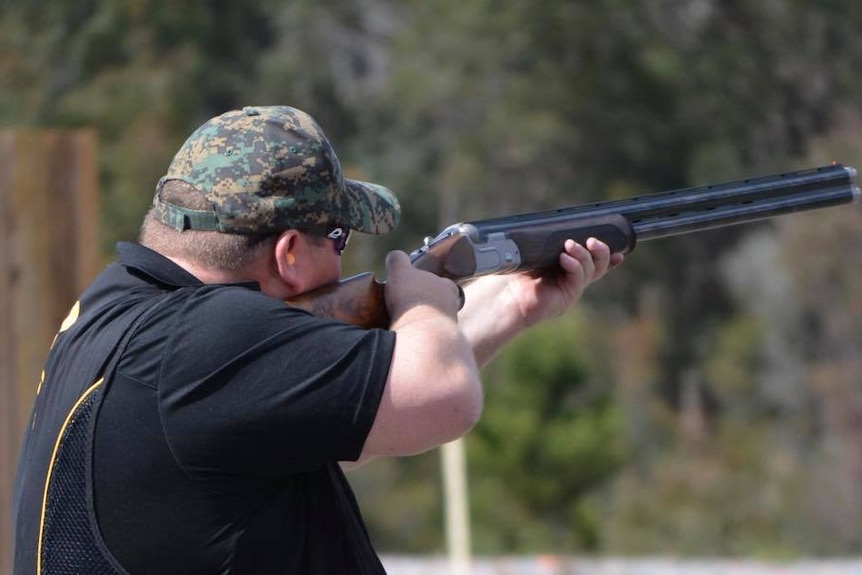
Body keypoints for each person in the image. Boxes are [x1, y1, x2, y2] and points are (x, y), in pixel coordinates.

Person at [12, 105, 623, 574]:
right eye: (337, 238)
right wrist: (419, 301)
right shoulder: (207, 338)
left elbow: (364, 408)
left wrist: (513, 303)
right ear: (288, 255)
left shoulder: (121, 311)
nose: (343, 258)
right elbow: (441, 394)